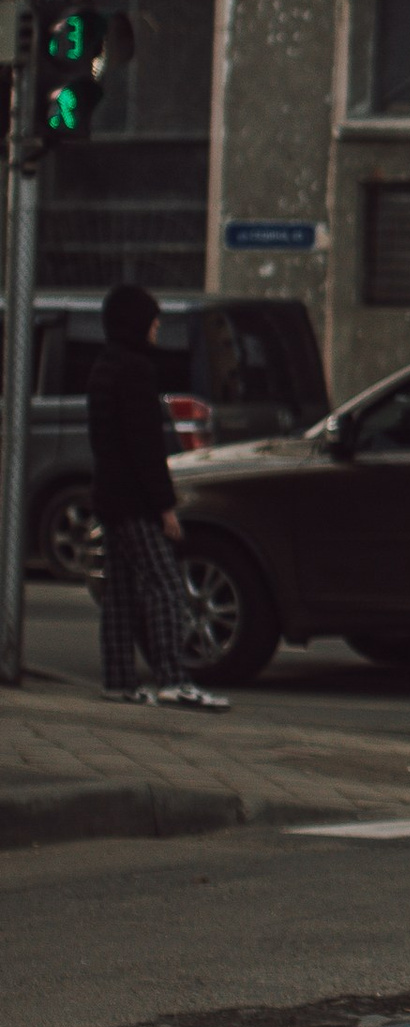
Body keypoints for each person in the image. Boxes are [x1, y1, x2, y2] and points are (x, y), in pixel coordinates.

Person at [87, 283, 226, 712]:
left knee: (121, 594)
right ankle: (173, 678)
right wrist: (164, 508)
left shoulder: (104, 367)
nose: (157, 325)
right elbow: (146, 447)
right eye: (152, 317)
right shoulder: (137, 372)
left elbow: (109, 443)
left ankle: (119, 681)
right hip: (136, 503)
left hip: (109, 497)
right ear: (136, 322)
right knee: (166, 588)